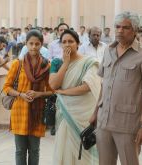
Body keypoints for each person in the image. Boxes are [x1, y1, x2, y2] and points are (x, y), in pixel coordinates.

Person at [89, 11, 142, 165]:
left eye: (125, 27)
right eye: (117, 27)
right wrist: (95, 112)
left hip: (128, 125)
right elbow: (104, 84)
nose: (120, 31)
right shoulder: (108, 50)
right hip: (103, 122)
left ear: (135, 30)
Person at [50, 29, 100, 165]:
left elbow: (87, 86)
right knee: (64, 148)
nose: (67, 44)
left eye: (70, 41)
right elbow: (54, 85)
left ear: (78, 44)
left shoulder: (89, 62)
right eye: (64, 42)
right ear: (60, 45)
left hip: (84, 116)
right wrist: (65, 63)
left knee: (84, 153)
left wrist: (64, 92)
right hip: (65, 115)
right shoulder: (56, 63)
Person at [3, 29, 52, 165]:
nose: (34, 47)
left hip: (37, 112)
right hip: (19, 111)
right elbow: (6, 87)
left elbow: (52, 90)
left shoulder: (47, 66)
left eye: (37, 44)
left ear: (41, 44)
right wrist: (21, 94)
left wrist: (39, 94)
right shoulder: (17, 64)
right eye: (31, 44)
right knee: (20, 150)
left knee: (35, 150)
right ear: (26, 44)